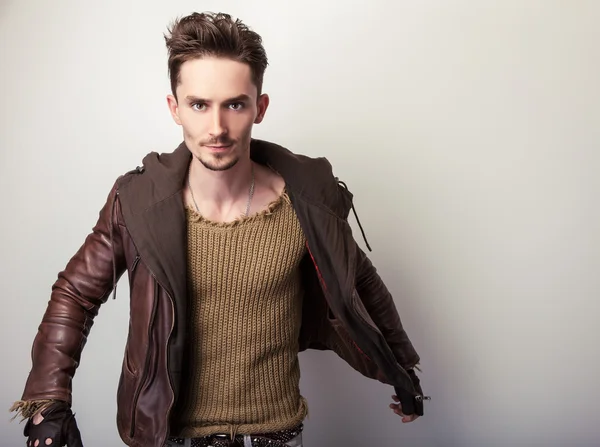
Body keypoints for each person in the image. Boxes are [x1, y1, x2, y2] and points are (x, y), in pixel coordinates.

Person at [11, 11, 427, 447]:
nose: (216, 128)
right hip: (170, 437)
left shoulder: (308, 203)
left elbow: (360, 281)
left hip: (278, 435)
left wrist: (401, 367)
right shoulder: (137, 204)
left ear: (259, 108)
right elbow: (75, 294)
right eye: (198, 104)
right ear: (175, 108)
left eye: (234, 104)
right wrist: (47, 401)